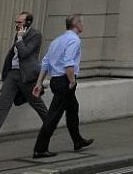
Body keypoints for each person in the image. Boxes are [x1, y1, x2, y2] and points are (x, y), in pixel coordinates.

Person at [31, 14, 93, 159]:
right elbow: (68, 62)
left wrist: (39, 83)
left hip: (56, 81)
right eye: (82, 23)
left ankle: (77, 141)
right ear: (76, 24)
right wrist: (72, 81)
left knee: (73, 108)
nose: (83, 25)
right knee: (53, 115)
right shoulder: (74, 40)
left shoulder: (57, 40)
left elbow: (45, 62)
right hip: (65, 81)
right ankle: (40, 149)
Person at [0, 11, 48, 145]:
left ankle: (50, 125)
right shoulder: (18, 34)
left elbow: (25, 53)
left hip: (26, 75)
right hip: (13, 74)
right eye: (17, 22)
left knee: (37, 104)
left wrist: (20, 39)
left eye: (20, 22)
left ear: (28, 23)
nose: (17, 24)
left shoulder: (35, 35)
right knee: (3, 105)